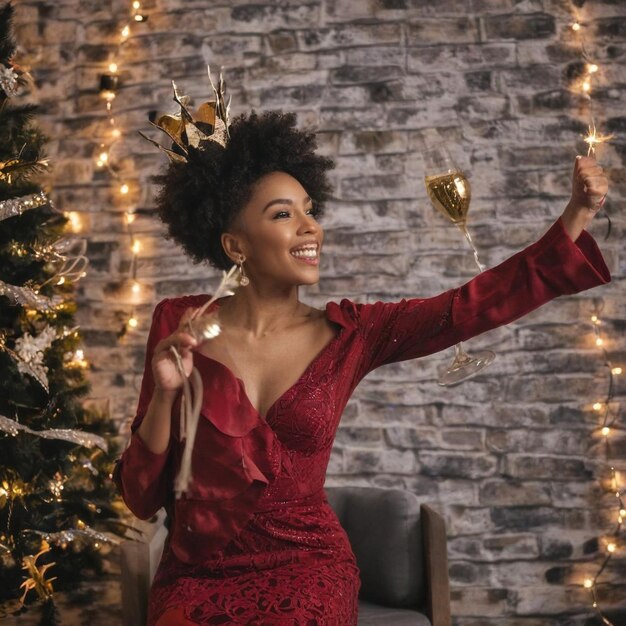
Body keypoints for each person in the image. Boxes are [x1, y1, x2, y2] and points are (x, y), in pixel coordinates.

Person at [114, 107, 610, 625]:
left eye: (310, 209)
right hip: (197, 571)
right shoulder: (180, 323)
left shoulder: (351, 334)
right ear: (236, 245)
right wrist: (168, 393)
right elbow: (140, 496)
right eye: (283, 214)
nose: (311, 227)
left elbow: (466, 307)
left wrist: (573, 217)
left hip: (307, 565)